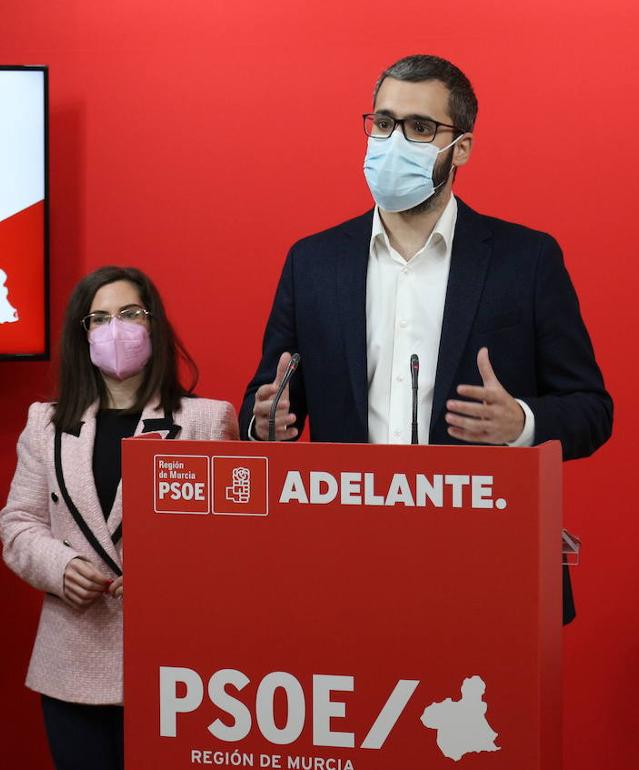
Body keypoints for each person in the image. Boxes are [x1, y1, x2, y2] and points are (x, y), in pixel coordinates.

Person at [238, 54, 612, 623]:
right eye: (384, 123)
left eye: (419, 127)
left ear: (460, 148)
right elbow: (266, 400)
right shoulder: (313, 263)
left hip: (487, 567)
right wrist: (265, 422)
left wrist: (521, 424)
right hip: (344, 566)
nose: (394, 141)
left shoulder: (526, 260)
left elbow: (592, 410)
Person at [0, 266, 237, 770]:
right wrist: (60, 567)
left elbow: (233, 540)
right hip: (72, 660)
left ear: (154, 324)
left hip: (178, 667)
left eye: (130, 314)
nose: (116, 328)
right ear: (82, 334)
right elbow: (19, 523)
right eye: (100, 318)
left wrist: (166, 574)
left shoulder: (206, 421)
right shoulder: (45, 422)